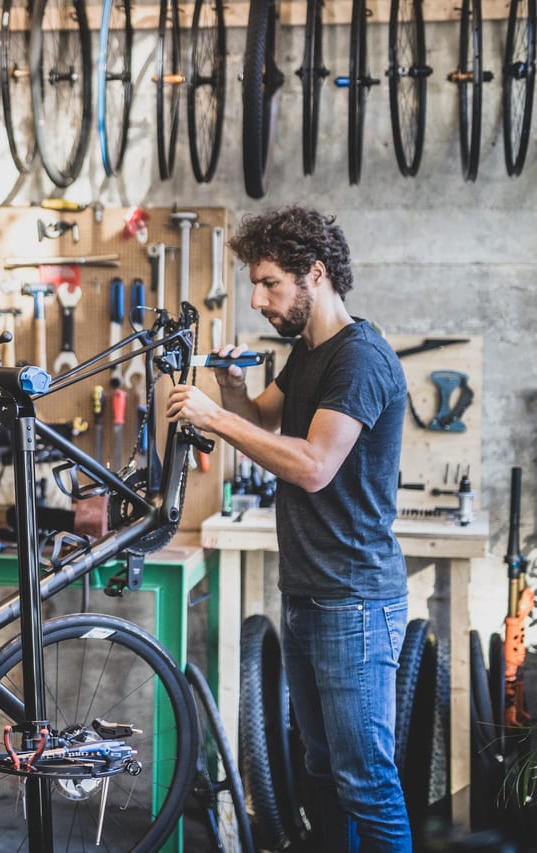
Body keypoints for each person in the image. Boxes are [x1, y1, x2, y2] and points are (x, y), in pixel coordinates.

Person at [166, 205, 411, 851]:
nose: (256, 299)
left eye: (269, 283)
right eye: (254, 283)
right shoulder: (307, 352)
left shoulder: (358, 358)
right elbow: (267, 423)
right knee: (322, 775)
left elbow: (312, 466)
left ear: (316, 274)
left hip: (353, 601)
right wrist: (228, 386)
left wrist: (215, 419)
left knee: (366, 781)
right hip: (309, 592)